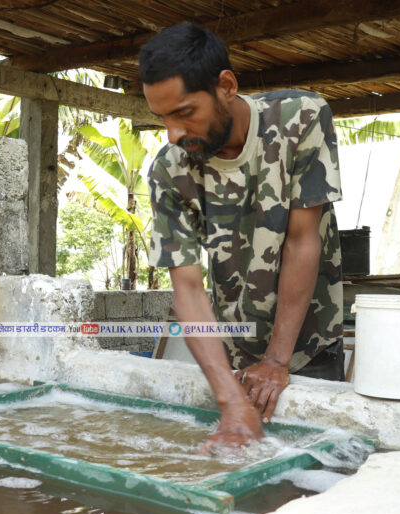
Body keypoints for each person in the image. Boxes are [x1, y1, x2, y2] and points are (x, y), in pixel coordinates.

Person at [139, 23, 344, 452]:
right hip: (231, 356)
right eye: (162, 118)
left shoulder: (300, 119)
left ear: (226, 86)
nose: (173, 134)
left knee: (315, 484)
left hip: (308, 349)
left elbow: (302, 241)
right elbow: (188, 289)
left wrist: (276, 361)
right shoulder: (169, 171)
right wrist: (230, 399)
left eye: (184, 112)